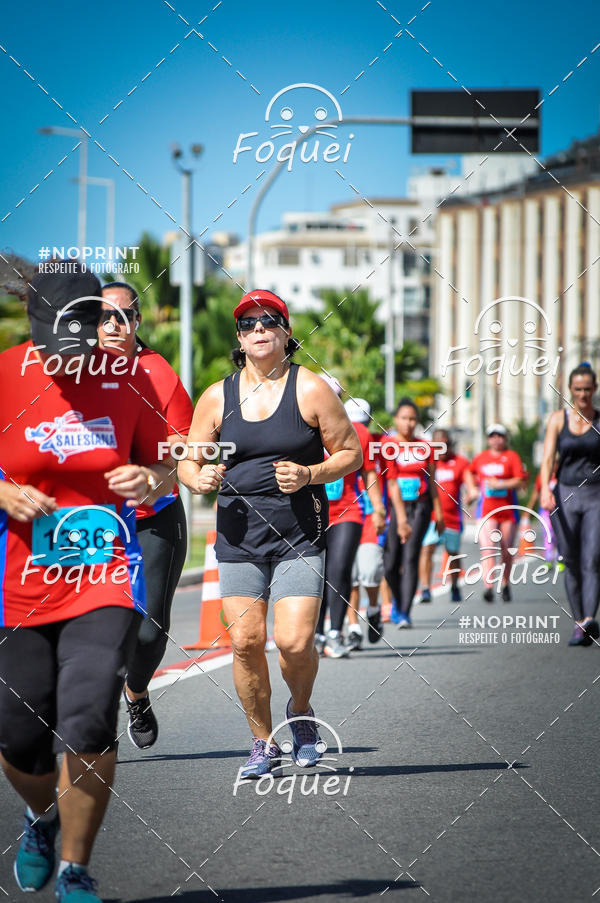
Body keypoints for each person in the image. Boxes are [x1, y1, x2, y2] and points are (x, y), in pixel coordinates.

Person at [0, 266, 173, 903]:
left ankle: (76, 867)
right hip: (18, 581)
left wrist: (152, 480)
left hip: (104, 575)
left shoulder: (131, 377)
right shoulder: (4, 376)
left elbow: (172, 458)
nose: (64, 360)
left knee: (88, 717)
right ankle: (40, 818)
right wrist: (4, 492)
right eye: (51, 347)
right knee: (19, 731)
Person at [178, 290, 362, 779]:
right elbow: (190, 460)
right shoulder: (218, 395)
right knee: (244, 641)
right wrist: (198, 477)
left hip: (298, 534)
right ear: (239, 339)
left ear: (286, 332)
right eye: (248, 325)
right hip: (238, 538)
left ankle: (300, 714)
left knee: (296, 641)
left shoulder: (312, 389)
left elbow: (350, 453)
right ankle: (262, 742)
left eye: (269, 322)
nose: (258, 331)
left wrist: (310, 474)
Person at [98, 282, 193, 748]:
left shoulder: (158, 372)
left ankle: (136, 694)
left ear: (138, 322)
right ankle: (90, 719)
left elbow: (184, 447)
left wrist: (151, 474)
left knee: (151, 629)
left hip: (154, 516)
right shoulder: (72, 373)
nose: (114, 323)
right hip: (92, 524)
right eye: (104, 315)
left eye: (125, 315)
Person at [315, 398, 387, 657]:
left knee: (339, 569)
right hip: (313, 513)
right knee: (318, 574)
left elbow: (369, 473)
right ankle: (316, 634)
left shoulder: (359, 432)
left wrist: (378, 509)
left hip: (348, 510)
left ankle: (335, 633)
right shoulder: (306, 426)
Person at [539, 363, 600, 645]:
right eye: (578, 389)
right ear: (571, 391)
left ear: (595, 389)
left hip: (595, 496)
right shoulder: (557, 419)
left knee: (593, 559)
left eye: (588, 389)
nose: (583, 394)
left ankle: (589, 619)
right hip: (564, 494)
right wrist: (544, 490)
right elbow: (548, 457)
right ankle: (579, 622)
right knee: (571, 559)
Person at [383, 399, 444, 628]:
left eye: (412, 419)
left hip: (420, 507)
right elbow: (390, 483)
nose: (408, 423)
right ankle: (398, 601)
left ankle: (405, 612)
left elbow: (432, 481)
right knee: (389, 563)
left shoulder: (425, 447)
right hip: (395, 508)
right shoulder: (387, 445)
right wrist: (399, 520)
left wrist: (439, 512)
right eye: (404, 418)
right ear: (396, 420)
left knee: (410, 556)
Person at [417, 430, 477, 603]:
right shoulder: (427, 462)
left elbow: (470, 484)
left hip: (452, 518)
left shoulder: (459, 462)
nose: (442, 449)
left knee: (452, 553)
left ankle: (454, 585)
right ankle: (426, 588)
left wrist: (472, 493)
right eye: (437, 446)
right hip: (431, 517)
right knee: (426, 550)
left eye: (445, 445)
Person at [469, 424, 528, 602]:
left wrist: (500, 485)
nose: (496, 439)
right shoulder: (481, 458)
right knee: (488, 549)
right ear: (488, 439)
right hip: (487, 511)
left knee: (506, 550)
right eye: (493, 436)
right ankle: (488, 586)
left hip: (508, 511)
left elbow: (520, 480)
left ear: (505, 439)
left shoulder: (511, 457)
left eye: (500, 436)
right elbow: (469, 472)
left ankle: (505, 583)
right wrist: (472, 489)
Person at [347, 425, 390, 648]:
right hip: (344, 520)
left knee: (370, 570)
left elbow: (389, 482)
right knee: (349, 576)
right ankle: (353, 627)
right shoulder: (335, 447)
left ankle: (373, 608)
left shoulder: (379, 448)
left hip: (369, 519)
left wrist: (381, 511)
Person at [526, 464, 560, 567]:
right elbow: (536, 493)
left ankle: (560, 558)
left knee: (558, 534)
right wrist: (528, 510)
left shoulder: (561, 476)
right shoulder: (542, 476)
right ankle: (549, 559)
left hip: (559, 511)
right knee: (548, 533)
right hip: (545, 510)